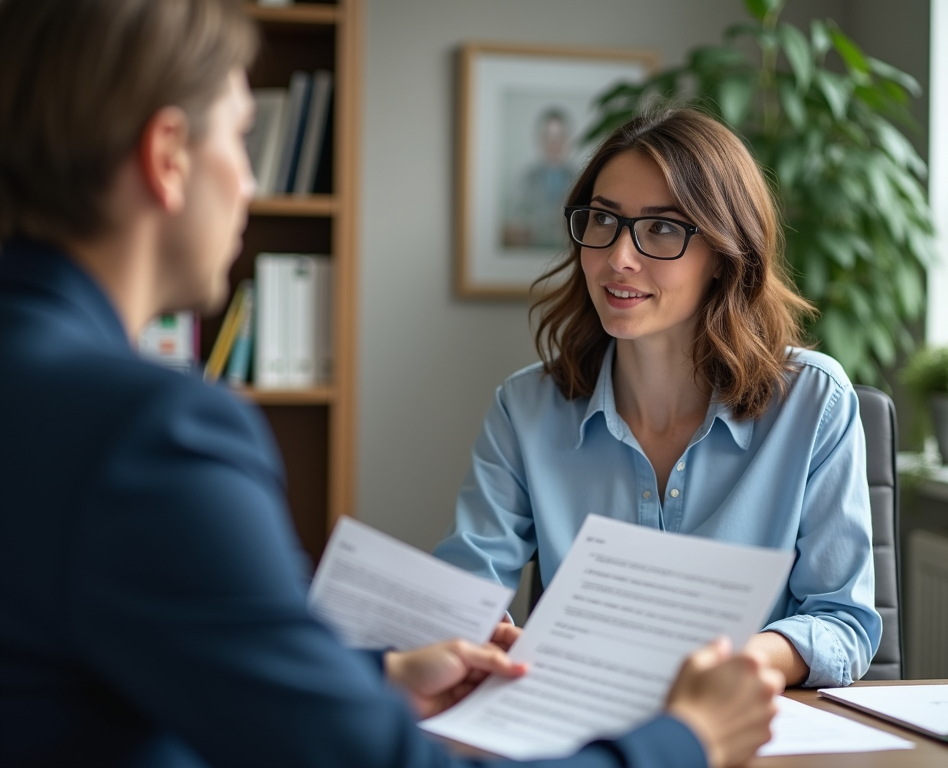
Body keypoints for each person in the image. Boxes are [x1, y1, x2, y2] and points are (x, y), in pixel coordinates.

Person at [0, 2, 783, 767]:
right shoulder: (149, 437)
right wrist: (686, 743)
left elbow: (132, 671)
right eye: (241, 138)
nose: (247, 181)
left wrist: (373, 677)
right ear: (168, 156)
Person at [435, 108, 883, 690]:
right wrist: (488, 638)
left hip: (748, 731)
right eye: (604, 220)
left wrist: (741, 662)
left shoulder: (813, 402)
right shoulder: (525, 409)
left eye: (663, 228)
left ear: (724, 254)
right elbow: (463, 594)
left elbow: (843, 622)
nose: (619, 257)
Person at [503, 108, 575, 248]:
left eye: (559, 136)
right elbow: (514, 221)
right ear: (540, 140)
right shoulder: (526, 179)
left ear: (568, 139)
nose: (554, 143)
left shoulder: (580, 177)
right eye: (548, 137)